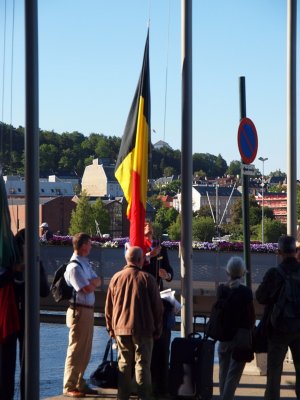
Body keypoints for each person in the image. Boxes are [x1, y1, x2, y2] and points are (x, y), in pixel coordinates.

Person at [105, 246, 163, 400]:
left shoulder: (115, 278)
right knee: (143, 365)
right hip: (143, 329)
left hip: (121, 329)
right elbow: (158, 308)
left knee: (123, 365)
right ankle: (144, 396)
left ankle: (122, 397)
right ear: (140, 260)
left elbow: (108, 307)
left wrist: (110, 328)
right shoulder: (147, 279)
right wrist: (158, 329)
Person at [0, 228, 50, 400]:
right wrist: (18, 269)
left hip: (19, 319)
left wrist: (33, 267)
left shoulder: (29, 263)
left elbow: (44, 291)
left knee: (17, 364)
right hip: (14, 318)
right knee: (14, 363)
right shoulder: (8, 266)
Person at [256, 235, 300, 400]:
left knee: (273, 374)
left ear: (279, 252)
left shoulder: (274, 273)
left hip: (279, 329)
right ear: (296, 251)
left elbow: (260, 297)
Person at [63, 232, 102, 398]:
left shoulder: (84, 264)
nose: (91, 246)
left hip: (87, 309)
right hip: (79, 310)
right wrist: (92, 283)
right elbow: (86, 288)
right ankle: (69, 385)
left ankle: (79, 381)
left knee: (85, 350)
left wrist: (92, 283)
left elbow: (97, 281)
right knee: (76, 348)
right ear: (83, 245)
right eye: (90, 243)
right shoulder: (73, 267)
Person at [142, 220, 174, 397]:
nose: (150, 234)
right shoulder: (138, 247)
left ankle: (161, 385)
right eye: (146, 232)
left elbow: (170, 271)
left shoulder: (161, 248)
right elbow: (135, 263)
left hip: (160, 297)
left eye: (151, 231)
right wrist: (149, 255)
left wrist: (167, 275)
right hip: (144, 298)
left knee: (162, 345)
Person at [218, 256, 255, 400]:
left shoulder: (221, 290)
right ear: (243, 272)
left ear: (228, 271)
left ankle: (223, 396)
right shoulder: (246, 292)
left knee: (223, 371)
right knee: (233, 375)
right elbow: (251, 316)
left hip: (224, 336)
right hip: (241, 338)